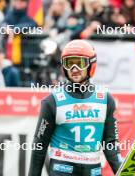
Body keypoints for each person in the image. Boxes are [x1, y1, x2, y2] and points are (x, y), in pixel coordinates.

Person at [29, 40, 122, 176]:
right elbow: (39, 145)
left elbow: (110, 144)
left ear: (91, 64)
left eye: (80, 63)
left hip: (93, 172)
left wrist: (121, 169)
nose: (74, 69)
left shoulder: (106, 99)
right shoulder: (52, 101)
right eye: (69, 63)